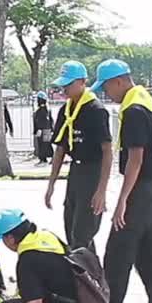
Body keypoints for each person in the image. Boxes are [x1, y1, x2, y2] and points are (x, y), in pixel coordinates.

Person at [81, 59, 152, 303]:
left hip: (141, 191)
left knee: (117, 255)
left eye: (107, 86)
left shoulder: (133, 110)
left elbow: (135, 159)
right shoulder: (148, 101)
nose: (107, 93)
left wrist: (122, 201)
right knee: (151, 256)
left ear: (119, 80)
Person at [44, 61, 113, 252]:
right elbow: (60, 149)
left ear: (82, 82)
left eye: (68, 85)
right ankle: (90, 278)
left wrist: (101, 191)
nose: (64, 89)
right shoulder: (65, 110)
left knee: (82, 235)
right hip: (76, 172)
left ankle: (87, 278)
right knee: (72, 231)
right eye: (62, 85)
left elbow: (107, 150)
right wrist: (51, 184)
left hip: (93, 172)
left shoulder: (96, 111)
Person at [32, 91, 54, 165]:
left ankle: (44, 159)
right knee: (46, 145)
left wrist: (39, 129)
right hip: (46, 130)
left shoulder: (42, 110)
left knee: (43, 145)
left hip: (43, 130)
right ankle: (46, 159)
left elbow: (43, 120)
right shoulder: (46, 110)